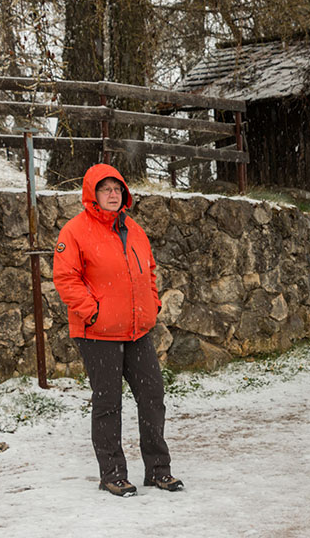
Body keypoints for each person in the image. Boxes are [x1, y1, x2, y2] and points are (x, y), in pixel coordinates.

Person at [53, 163, 183, 497]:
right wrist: (93, 313)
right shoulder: (75, 231)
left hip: (137, 331)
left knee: (152, 397)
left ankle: (157, 470)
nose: (113, 194)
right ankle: (112, 473)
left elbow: (149, 270)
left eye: (117, 189)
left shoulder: (134, 229)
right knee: (108, 403)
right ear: (92, 195)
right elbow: (66, 279)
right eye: (106, 189)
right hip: (97, 334)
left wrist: (152, 305)